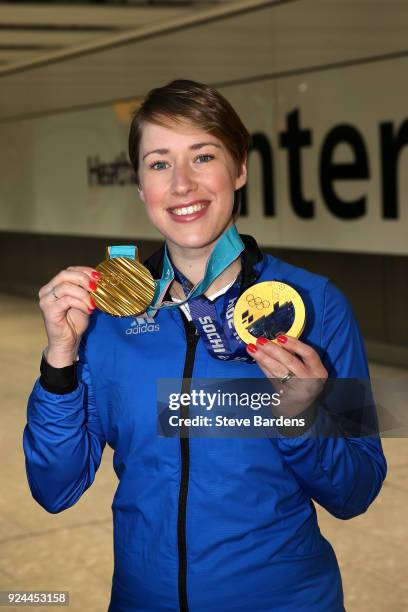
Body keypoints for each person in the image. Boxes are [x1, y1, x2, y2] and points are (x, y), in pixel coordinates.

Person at [23, 79, 387, 612]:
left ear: (239, 168)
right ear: (140, 184)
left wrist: (300, 417)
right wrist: (60, 360)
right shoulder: (110, 316)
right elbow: (54, 490)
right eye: (159, 163)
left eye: (204, 156)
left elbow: (357, 491)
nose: (182, 184)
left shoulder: (316, 304)